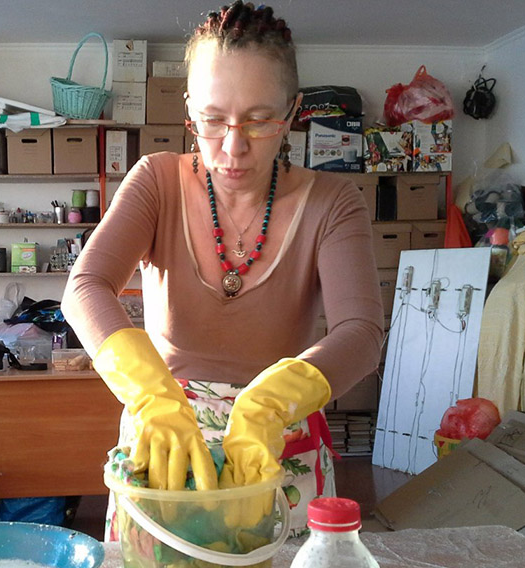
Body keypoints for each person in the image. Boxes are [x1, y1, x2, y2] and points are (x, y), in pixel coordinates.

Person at [61, 1, 384, 540]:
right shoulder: (156, 181)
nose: (233, 147)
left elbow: (362, 333)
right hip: (165, 447)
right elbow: (85, 287)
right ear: (189, 109)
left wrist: (268, 404)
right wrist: (151, 394)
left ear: (293, 111)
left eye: (259, 120)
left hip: (278, 445)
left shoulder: (334, 201)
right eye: (213, 120)